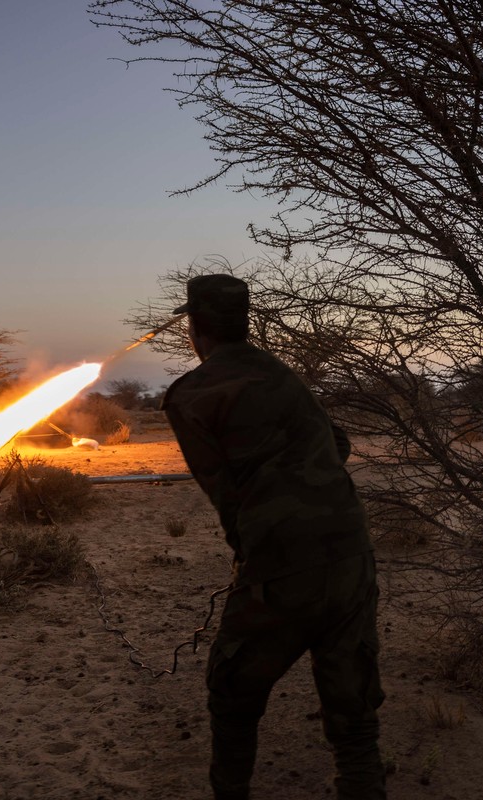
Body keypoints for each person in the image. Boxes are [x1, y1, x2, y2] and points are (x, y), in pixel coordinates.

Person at [161, 274, 385, 800]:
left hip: (282, 564)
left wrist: (256, 547)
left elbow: (224, 493)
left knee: (232, 692)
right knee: (353, 712)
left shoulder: (191, 396)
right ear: (244, 321)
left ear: (195, 327)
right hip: (351, 552)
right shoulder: (281, 373)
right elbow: (339, 444)